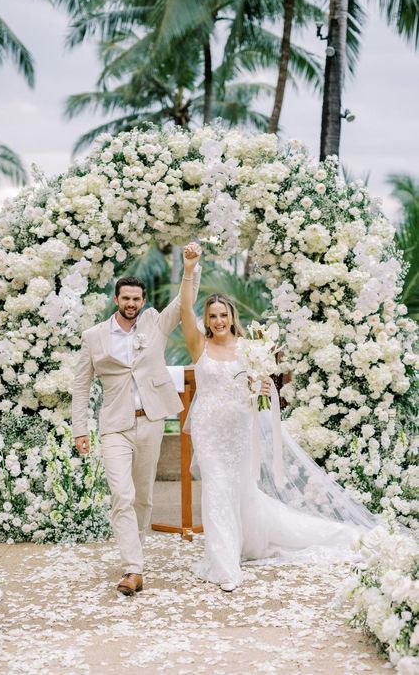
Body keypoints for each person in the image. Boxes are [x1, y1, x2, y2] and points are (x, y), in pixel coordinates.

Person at [180, 244, 377, 593]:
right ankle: (225, 566)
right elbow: (183, 310)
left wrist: (264, 390)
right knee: (216, 488)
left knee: (241, 490)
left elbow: (260, 384)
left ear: (232, 317)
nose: (218, 321)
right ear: (207, 320)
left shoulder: (249, 347)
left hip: (240, 430)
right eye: (212, 316)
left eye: (223, 315)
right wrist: (190, 270)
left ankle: (249, 543)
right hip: (209, 430)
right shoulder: (200, 345)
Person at [72, 245, 201, 596]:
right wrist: (79, 429)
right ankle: (133, 569)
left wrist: (190, 267)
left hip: (151, 422)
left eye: (136, 299)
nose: (131, 304)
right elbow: (81, 386)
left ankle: (135, 551)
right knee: (122, 495)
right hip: (114, 426)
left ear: (142, 301)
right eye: (125, 298)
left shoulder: (154, 324)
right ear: (116, 299)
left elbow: (183, 303)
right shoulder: (94, 337)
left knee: (143, 496)